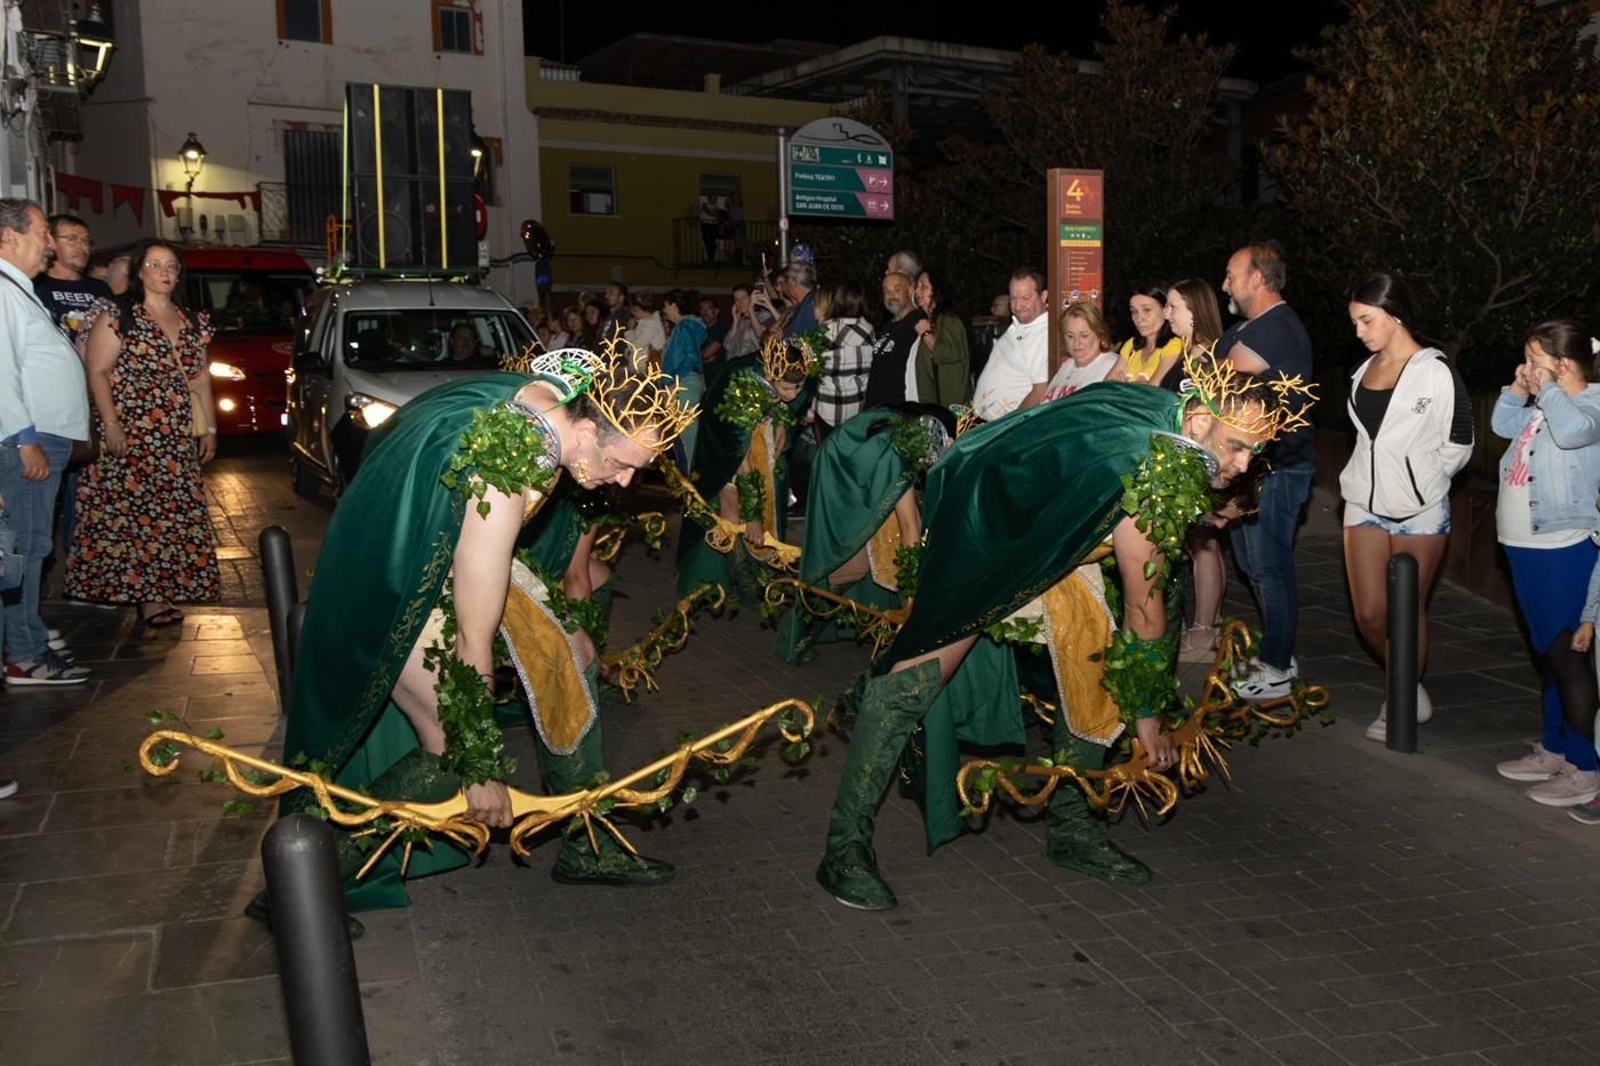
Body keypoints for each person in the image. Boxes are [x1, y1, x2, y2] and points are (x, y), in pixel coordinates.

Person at [815, 364, 1312, 910]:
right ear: (1197, 422)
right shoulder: (1155, 475)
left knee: (1096, 665)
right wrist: (1147, 718)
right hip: (991, 527)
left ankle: (1072, 829)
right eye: (1237, 446)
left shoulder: (1168, 414)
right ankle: (843, 846)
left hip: (1060, 538)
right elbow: (1144, 614)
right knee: (916, 680)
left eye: (1254, 450)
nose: (1243, 465)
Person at [260, 349, 697, 928]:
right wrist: (482, 765)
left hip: (445, 547)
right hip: (406, 580)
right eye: (622, 463)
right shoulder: (507, 473)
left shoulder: (550, 400)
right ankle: (301, 885)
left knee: (573, 651)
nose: (625, 481)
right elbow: (473, 632)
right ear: (588, 427)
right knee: (449, 748)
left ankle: (584, 838)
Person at [1337, 274, 1473, 740]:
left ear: (1394, 315)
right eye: (1355, 321)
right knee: (1371, 615)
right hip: (1363, 502)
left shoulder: (1435, 371)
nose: (1359, 331)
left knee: (1405, 610)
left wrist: (1425, 481)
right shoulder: (1363, 370)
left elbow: (1459, 442)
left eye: (1366, 320)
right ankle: (1406, 679)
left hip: (1420, 509)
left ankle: (1399, 694)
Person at [66, 238, 220, 627]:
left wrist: (210, 428)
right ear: (138, 272)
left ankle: (163, 589)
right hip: (131, 430)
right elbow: (97, 372)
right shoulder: (119, 316)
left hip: (174, 434)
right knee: (136, 516)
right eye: (155, 265)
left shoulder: (193, 321)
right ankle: (148, 598)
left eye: (171, 266)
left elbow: (200, 378)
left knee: (171, 515)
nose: (165, 273)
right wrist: (112, 425)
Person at [1490, 320, 1600, 807]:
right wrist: (1519, 388)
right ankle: (1555, 748)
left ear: (1566, 364)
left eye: (1535, 358)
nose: (1529, 367)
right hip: (1522, 544)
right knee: (1546, 654)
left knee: (1567, 656)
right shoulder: (1542, 405)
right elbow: (1501, 425)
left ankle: (1585, 765)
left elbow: (1576, 434)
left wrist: (1549, 388)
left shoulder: (1588, 405)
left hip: (1563, 546)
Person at [776, 403, 956, 665]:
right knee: (844, 560)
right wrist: (915, 591)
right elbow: (909, 528)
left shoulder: (908, 428)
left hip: (854, 471)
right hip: (839, 479)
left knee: (873, 549)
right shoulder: (901, 456)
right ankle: (796, 634)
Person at [1218, 241, 1316, 701]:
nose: (1226, 284)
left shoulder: (1277, 326)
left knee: (1269, 566)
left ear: (1258, 278)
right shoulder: (1248, 327)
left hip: (1279, 467)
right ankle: (1275, 653)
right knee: (1251, 564)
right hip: (1251, 466)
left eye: (1232, 274)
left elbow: (1220, 382)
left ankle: (1278, 665)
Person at [0, 199, 90, 685]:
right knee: (28, 547)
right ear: (8, 237)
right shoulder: (2, 290)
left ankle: (25, 637)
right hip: (27, 441)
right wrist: (24, 439)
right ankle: (25, 654)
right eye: (42, 234)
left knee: (31, 545)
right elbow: (1, 374)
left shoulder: (17, 288)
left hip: (39, 438)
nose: (50, 245)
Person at [675, 338, 812, 600]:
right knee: (731, 504)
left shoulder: (797, 370)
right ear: (770, 377)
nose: (793, 394)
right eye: (786, 388)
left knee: (769, 496)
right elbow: (741, 457)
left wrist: (783, 419)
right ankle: (740, 582)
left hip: (762, 432)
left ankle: (759, 572)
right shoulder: (741, 385)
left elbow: (798, 393)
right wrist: (753, 517)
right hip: (725, 440)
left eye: (798, 387)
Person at [1165, 279, 1233, 665]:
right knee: (1203, 544)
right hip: (1190, 457)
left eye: (1174, 306)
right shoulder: (1187, 351)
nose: (1168, 314)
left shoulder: (1204, 358)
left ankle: (1203, 630)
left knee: (1202, 544)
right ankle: (1213, 621)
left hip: (1199, 459)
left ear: (1195, 311)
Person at [971, 269, 1051, 420]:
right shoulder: (1022, 324)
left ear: (1043, 296)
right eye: (1013, 298)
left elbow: (1041, 391)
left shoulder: (1043, 333)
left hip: (1002, 429)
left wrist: (1010, 426)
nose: (1018, 306)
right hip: (984, 424)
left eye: (1025, 298)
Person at [33, 213, 111, 354]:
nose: (82, 246)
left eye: (86, 241)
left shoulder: (100, 288)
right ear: (50, 241)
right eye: (72, 239)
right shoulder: (35, 287)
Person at [813, 282, 875, 438]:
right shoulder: (869, 329)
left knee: (827, 456)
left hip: (828, 408)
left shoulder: (826, 329)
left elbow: (814, 370)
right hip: (857, 406)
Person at [660, 289, 707, 471]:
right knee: (685, 434)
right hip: (686, 383)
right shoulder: (688, 326)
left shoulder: (684, 327)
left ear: (673, 305)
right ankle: (687, 479)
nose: (664, 310)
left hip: (682, 384)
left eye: (665, 305)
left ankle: (688, 481)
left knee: (685, 436)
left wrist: (673, 384)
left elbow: (687, 358)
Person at [908, 268, 970, 407]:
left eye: (923, 286)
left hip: (952, 412)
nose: (917, 292)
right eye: (917, 287)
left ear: (937, 291)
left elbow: (949, 353)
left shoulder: (948, 320)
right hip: (937, 411)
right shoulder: (932, 322)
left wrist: (925, 334)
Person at [1106, 281, 1184, 390]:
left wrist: (1123, 386)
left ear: (1165, 310)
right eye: (1134, 311)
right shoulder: (1131, 346)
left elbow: (1153, 391)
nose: (1139, 318)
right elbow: (1105, 387)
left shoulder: (1174, 345)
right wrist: (1138, 386)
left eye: (1146, 310)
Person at [861, 272, 922, 409]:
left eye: (897, 289)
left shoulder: (918, 323)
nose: (891, 296)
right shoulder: (887, 326)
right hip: (876, 410)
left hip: (899, 411)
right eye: (886, 290)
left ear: (911, 290)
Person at [1036, 300, 1116, 403]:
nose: (1076, 343)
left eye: (1084, 336)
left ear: (1099, 335)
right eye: (1070, 336)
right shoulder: (1067, 366)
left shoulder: (1111, 366)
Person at [723, 284, 761, 362]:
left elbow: (761, 339)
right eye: (737, 299)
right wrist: (735, 320)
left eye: (743, 298)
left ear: (751, 298)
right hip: (736, 368)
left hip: (755, 368)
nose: (740, 302)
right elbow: (727, 346)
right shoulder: (740, 321)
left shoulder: (762, 316)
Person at [624, 292, 666, 363]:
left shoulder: (652, 324)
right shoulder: (643, 322)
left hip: (647, 369)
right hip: (640, 367)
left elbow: (636, 346)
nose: (632, 313)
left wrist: (629, 330)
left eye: (635, 310)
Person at [698, 296, 728, 383]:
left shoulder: (721, 328)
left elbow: (706, 354)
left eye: (708, 309)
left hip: (718, 379)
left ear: (716, 311)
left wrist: (700, 358)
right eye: (702, 309)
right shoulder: (701, 331)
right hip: (704, 380)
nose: (704, 312)